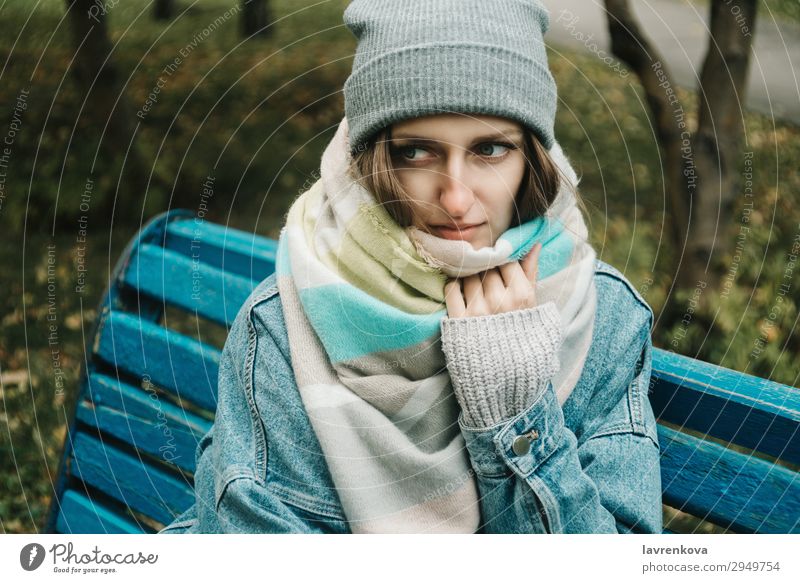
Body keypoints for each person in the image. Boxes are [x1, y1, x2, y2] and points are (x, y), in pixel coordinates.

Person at [161, 0, 662, 534]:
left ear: (532, 157)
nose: (456, 197)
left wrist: (512, 410)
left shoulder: (604, 318)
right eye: (416, 153)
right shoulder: (288, 325)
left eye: (490, 148)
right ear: (373, 159)